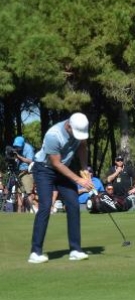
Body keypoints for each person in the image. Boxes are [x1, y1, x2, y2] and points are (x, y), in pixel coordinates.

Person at [29, 112, 94, 263]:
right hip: (44, 169)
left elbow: (83, 147)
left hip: (64, 169)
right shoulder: (54, 135)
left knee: (73, 204)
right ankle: (35, 252)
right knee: (45, 206)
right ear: (69, 126)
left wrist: (84, 169)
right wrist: (79, 180)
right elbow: (56, 163)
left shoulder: (80, 128)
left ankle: (75, 250)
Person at [11, 136, 36, 212]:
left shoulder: (28, 148)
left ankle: (29, 211)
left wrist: (18, 157)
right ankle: (19, 211)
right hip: (19, 172)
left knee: (28, 193)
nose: (17, 148)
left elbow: (30, 161)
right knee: (19, 192)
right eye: (16, 146)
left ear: (22, 144)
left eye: (18, 146)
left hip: (27, 172)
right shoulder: (16, 148)